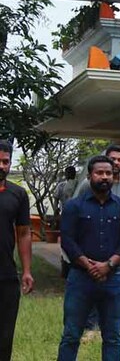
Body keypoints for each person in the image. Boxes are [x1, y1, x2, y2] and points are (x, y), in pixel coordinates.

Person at [57, 155, 120, 361]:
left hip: (113, 279)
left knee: (112, 336)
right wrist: (89, 266)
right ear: (90, 176)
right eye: (99, 173)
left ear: (114, 176)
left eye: (108, 173)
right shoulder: (74, 207)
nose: (104, 177)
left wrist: (108, 265)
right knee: (71, 335)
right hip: (80, 279)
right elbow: (67, 240)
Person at [1, 140, 34, 361]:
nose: (2, 166)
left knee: (4, 337)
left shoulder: (18, 194)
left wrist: (27, 270)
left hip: (5, 277)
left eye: (6, 161)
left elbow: (23, 233)